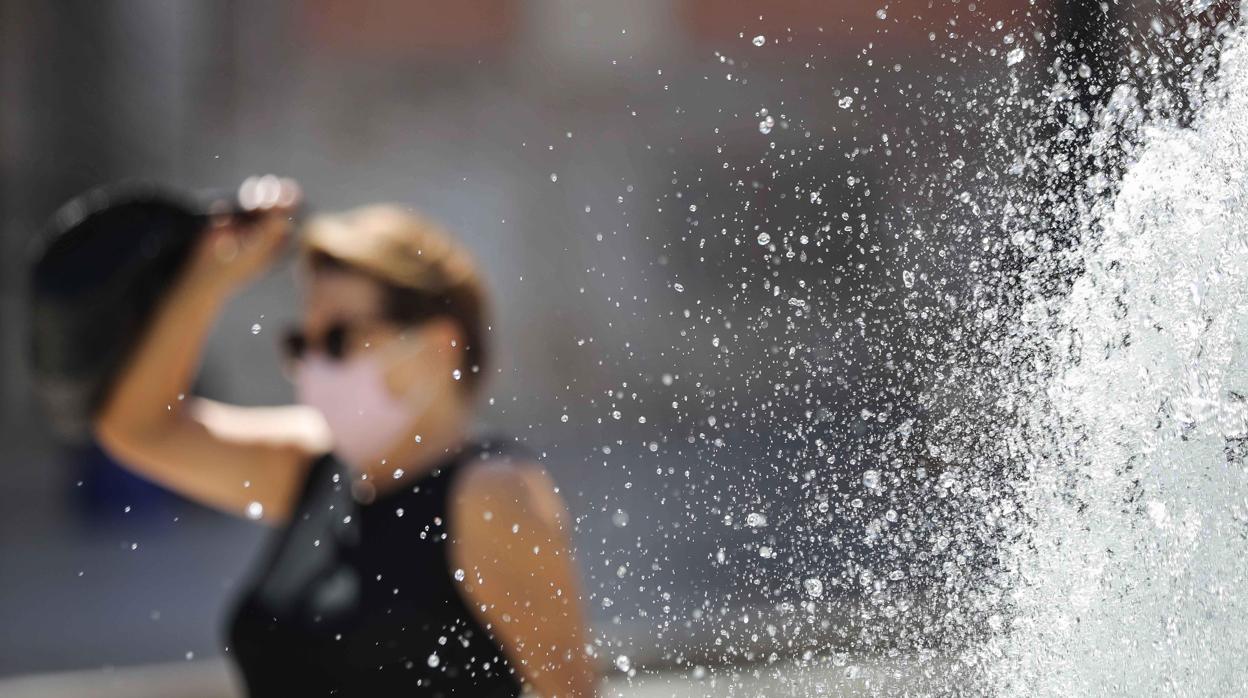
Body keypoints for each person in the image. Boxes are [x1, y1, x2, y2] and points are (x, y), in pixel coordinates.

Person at [93, 175, 597, 697]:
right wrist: (210, 276)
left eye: (337, 339)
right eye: (301, 342)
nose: (313, 363)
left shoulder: (491, 495)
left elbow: (572, 692)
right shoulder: (315, 466)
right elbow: (136, 428)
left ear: (436, 345)